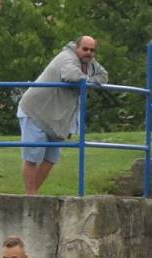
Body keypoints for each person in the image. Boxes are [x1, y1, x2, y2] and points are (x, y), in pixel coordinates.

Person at [17, 35, 108, 195]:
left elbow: (104, 76)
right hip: (35, 112)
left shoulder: (88, 63)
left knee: (51, 158)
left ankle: (31, 195)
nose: (89, 53)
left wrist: (87, 80)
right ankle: (30, 197)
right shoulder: (67, 57)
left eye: (92, 50)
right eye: (85, 49)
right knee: (33, 156)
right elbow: (71, 76)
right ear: (76, 47)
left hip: (56, 119)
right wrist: (91, 81)